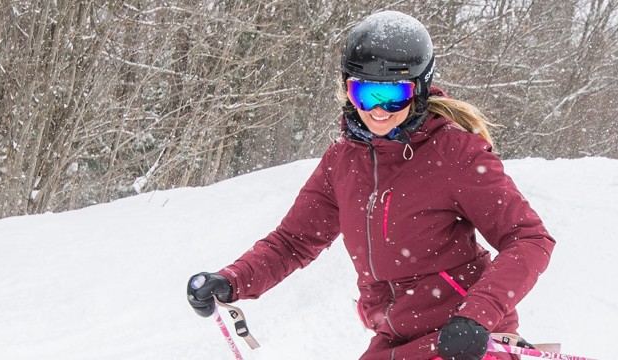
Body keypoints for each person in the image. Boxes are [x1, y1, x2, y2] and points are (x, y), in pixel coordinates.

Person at [183, 11, 556, 360]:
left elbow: (529, 238)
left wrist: (477, 315)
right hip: (395, 340)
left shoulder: (455, 153)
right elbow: (293, 241)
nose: (377, 110)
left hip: (461, 338)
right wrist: (232, 280)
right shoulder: (343, 161)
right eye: (364, 93)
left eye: (393, 96)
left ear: (419, 90)